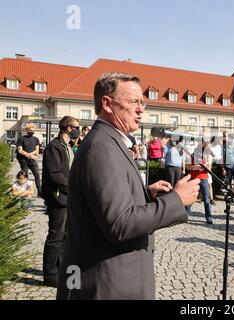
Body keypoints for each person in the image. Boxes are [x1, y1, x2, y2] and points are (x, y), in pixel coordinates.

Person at [57, 72, 200, 300]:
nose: (141, 109)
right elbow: (119, 223)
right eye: (134, 101)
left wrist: (145, 193)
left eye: (142, 102)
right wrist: (177, 200)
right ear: (108, 104)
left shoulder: (112, 142)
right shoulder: (102, 148)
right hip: (108, 282)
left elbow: (108, 202)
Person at [41, 116, 79, 288]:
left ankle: (61, 269)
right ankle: (50, 275)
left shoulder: (68, 146)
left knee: (65, 236)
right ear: (69, 128)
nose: (79, 129)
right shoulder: (54, 147)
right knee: (55, 236)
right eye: (77, 127)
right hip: (59, 198)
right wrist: (73, 187)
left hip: (68, 197)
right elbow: (55, 174)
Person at [187, 138, 214, 224]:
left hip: (204, 178)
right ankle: (185, 215)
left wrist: (204, 166)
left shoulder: (207, 154)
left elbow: (209, 168)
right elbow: (188, 167)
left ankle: (208, 217)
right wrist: (195, 167)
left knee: (206, 199)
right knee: (191, 197)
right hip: (194, 178)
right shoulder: (193, 154)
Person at [16, 123, 42, 196]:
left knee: (37, 175)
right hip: (23, 160)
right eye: (31, 130)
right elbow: (20, 150)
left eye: (33, 130)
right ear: (27, 130)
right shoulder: (21, 139)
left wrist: (31, 155)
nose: (32, 132)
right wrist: (29, 155)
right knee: (25, 176)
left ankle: (39, 192)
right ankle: (25, 192)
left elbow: (37, 150)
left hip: (33, 160)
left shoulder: (36, 139)